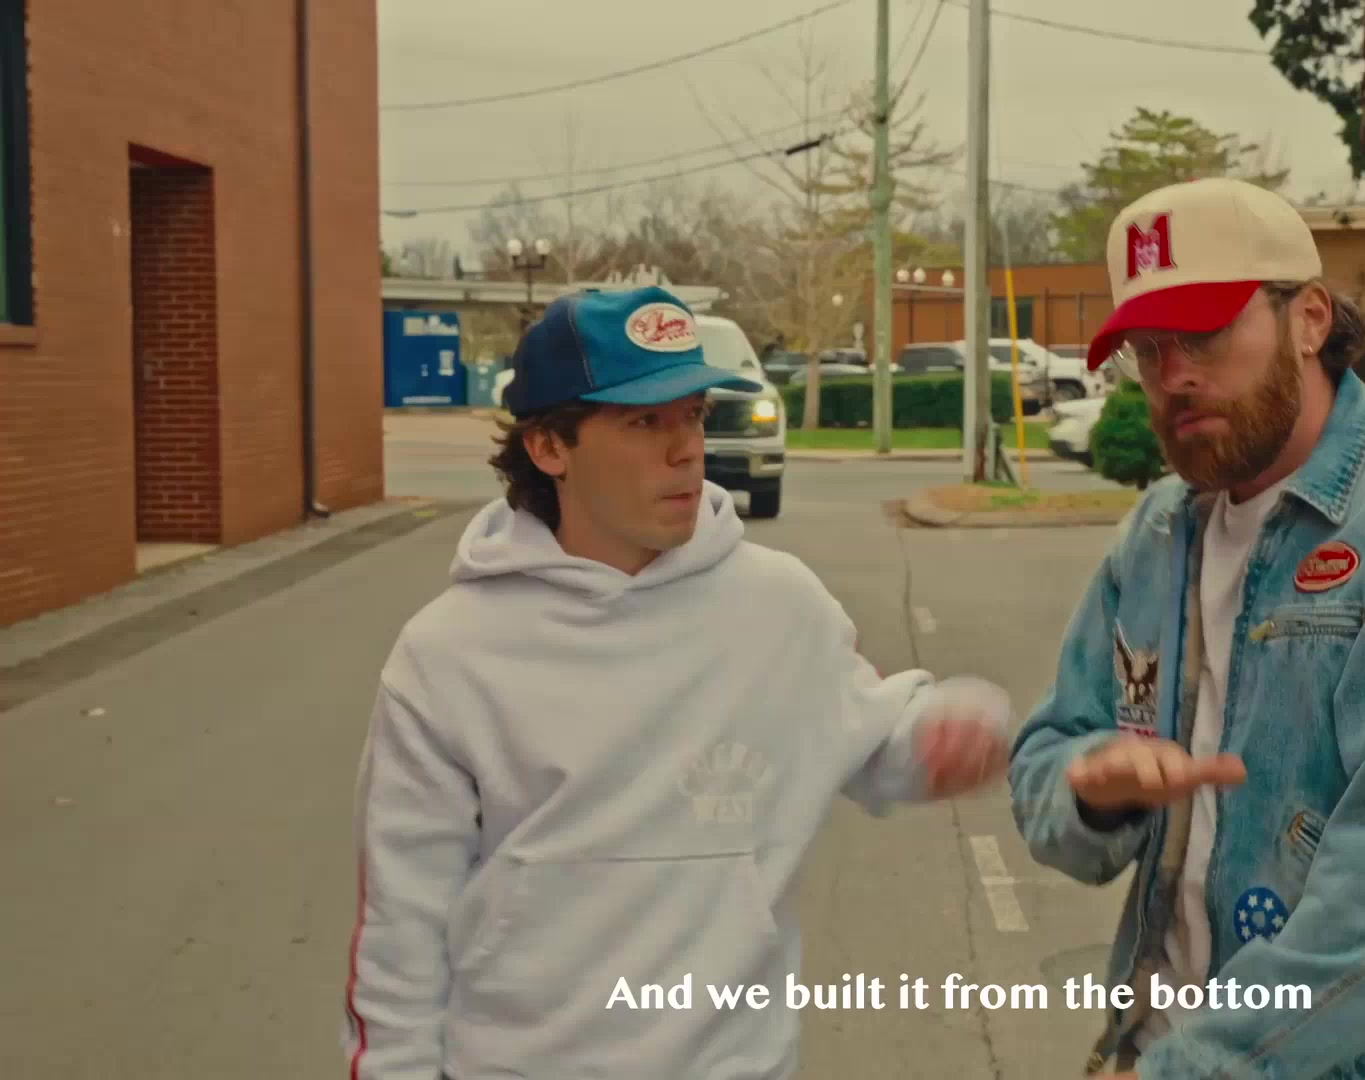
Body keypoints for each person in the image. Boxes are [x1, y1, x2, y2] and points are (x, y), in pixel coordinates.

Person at [341, 286, 1013, 1079]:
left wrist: (946, 732)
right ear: (549, 447)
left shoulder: (779, 605)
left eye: (693, 415)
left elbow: (878, 739)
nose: (687, 448)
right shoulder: (447, 656)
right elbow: (400, 939)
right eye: (644, 422)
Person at [1007, 178, 1365, 1079]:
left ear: (1310, 318)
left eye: (1204, 331)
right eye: (1146, 349)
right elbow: (1047, 757)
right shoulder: (1160, 535)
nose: (1174, 374)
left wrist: (1191, 1070)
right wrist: (1094, 790)